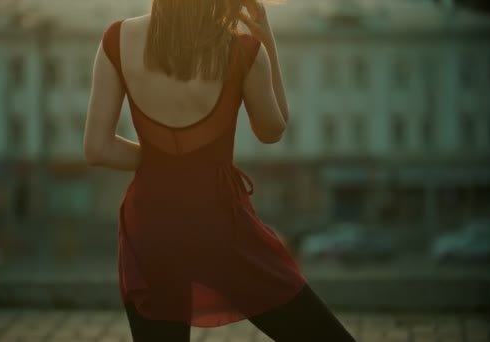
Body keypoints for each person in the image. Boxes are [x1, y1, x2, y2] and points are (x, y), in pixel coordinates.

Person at [83, 0, 356, 341]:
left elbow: (97, 149)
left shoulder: (117, 39)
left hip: (150, 226)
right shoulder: (243, 52)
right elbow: (273, 130)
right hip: (221, 224)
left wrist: (165, 165)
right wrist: (265, 37)